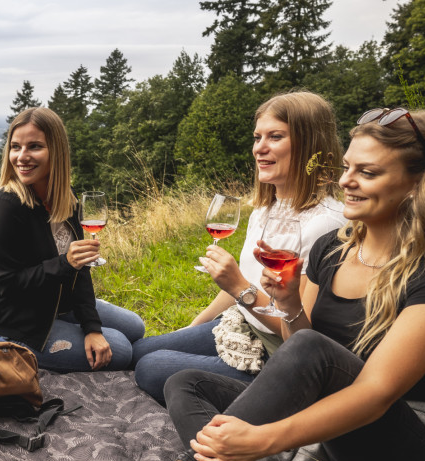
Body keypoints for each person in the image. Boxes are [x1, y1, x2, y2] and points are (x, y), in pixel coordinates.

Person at [58, 107, 425, 461]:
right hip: (330, 432)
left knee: (304, 356)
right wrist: (288, 306)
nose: (346, 181)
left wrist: (262, 439)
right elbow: (303, 342)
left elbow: (376, 393)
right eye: (347, 166)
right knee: (186, 382)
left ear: (419, 184)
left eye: (368, 172)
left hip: (403, 449)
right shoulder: (332, 248)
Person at [131, 91, 345, 403]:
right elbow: (239, 286)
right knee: (140, 350)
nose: (260, 148)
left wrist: (241, 288)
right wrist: (189, 330)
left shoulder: (325, 224)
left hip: (276, 353)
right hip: (241, 324)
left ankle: (260, 401)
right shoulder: (265, 209)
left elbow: (303, 334)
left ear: (310, 144)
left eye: (275, 136)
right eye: (258, 137)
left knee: (150, 367)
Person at [0, 107, 144, 371]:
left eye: (35, 147)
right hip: (14, 318)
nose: (22, 157)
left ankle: (149, 357)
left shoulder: (66, 199)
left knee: (135, 326)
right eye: (15, 147)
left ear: (57, 151)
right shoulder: (6, 207)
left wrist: (92, 327)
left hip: (57, 302)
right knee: (120, 349)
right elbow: (8, 284)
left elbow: (80, 270)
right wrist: (65, 264)